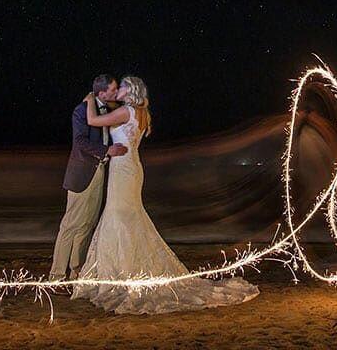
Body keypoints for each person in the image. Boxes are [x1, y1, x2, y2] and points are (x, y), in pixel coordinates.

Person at [72, 75, 258, 314]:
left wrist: (89, 100)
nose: (118, 88)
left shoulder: (126, 112)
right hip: (132, 167)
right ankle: (124, 268)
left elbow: (92, 120)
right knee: (129, 217)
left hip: (122, 169)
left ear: (130, 92)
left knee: (119, 216)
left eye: (122, 86)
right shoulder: (139, 113)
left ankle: (122, 271)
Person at [48, 74, 128, 282]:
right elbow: (80, 142)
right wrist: (107, 150)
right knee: (70, 225)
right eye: (113, 89)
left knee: (87, 225)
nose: (116, 91)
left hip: (99, 172)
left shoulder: (108, 109)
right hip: (82, 173)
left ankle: (76, 272)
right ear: (101, 92)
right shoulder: (81, 111)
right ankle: (56, 276)